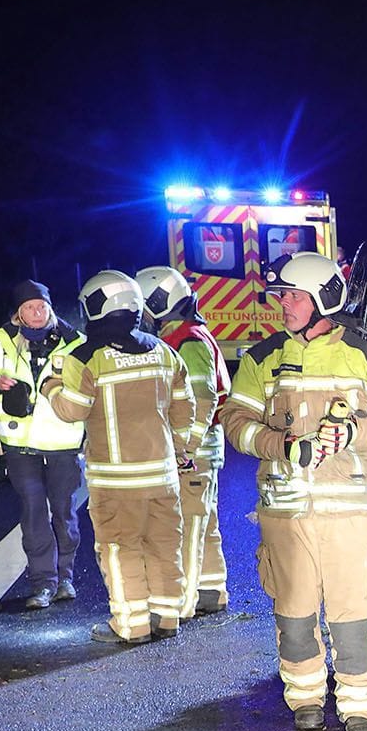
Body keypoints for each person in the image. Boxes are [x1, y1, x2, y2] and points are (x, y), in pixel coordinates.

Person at [219, 251, 367, 731]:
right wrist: (279, 444)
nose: (283, 304)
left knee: (353, 612)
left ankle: (358, 707)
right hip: (284, 511)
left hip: (346, 510)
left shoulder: (366, 357)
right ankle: (305, 699)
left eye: (294, 296)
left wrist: (354, 432)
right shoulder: (262, 359)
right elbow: (235, 424)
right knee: (295, 610)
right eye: (282, 295)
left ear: (324, 299)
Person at [45, 271, 194, 643]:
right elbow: (184, 409)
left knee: (120, 548)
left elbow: (72, 410)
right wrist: (178, 450)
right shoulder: (165, 352)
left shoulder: (86, 357)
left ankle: (131, 625)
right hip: (162, 476)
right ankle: (167, 617)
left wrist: (50, 386)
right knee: (163, 546)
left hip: (116, 480)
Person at [0, 281, 86, 609]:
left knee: (63, 511)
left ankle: (65, 577)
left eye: (42, 306)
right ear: (18, 314)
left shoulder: (75, 343)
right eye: (30, 307)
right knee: (33, 512)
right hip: (20, 443)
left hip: (62, 441)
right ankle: (43, 583)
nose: (37, 312)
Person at [137, 265, 229, 618]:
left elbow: (203, 400)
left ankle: (179, 603)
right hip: (203, 448)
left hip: (195, 451)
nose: (141, 316)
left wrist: (184, 449)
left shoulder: (188, 341)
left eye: (144, 307)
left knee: (187, 526)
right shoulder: (191, 335)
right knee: (204, 522)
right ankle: (210, 588)